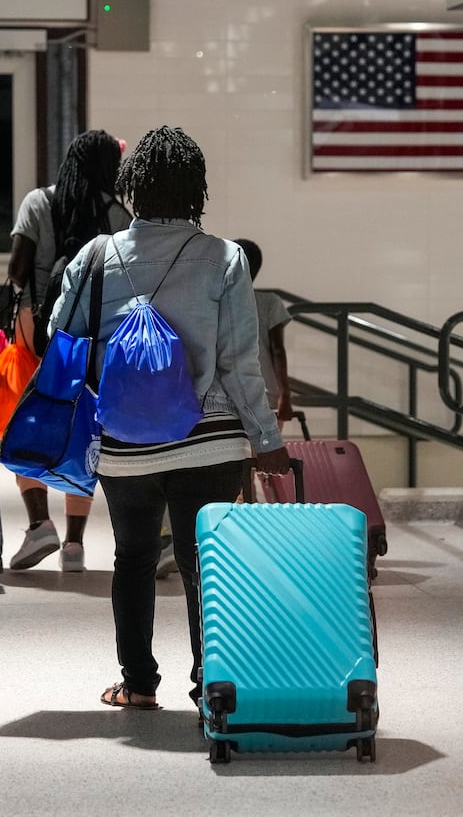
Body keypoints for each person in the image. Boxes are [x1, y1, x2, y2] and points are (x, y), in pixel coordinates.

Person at [48, 125, 290, 711]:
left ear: (130, 187)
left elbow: (61, 334)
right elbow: (239, 362)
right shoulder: (225, 258)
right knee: (202, 563)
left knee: (132, 558)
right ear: (194, 188)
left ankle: (136, 684)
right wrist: (266, 437)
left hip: (125, 440)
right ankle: (213, 685)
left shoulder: (97, 255)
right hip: (211, 442)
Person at [5, 129, 131, 572]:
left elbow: (17, 270)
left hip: (36, 325)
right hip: (96, 336)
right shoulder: (117, 214)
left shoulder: (39, 202)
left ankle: (39, 523)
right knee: (85, 427)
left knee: (33, 415)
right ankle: (75, 544)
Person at [233, 239, 295, 425]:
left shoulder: (216, 302)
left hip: (230, 394)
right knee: (267, 451)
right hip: (266, 394)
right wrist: (285, 393)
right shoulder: (269, 303)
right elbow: (278, 350)